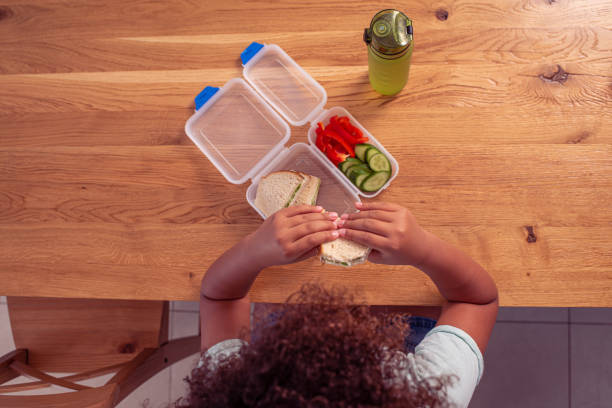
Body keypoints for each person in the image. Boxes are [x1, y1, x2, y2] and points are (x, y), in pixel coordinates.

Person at [178, 202, 498, 408]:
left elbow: (221, 298)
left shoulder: (239, 391)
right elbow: (475, 300)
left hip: (285, 324)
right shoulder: (431, 397)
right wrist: (424, 249)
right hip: (408, 325)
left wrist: (253, 251)